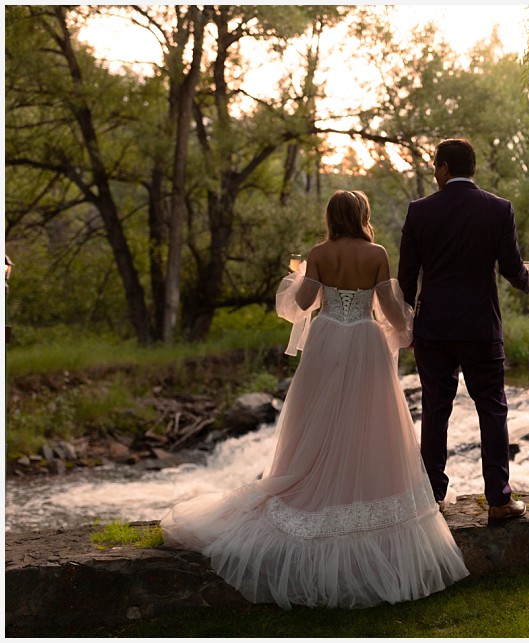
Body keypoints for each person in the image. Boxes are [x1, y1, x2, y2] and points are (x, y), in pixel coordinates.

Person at [161, 190, 468, 609]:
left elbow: (302, 305)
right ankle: (361, 487)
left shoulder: (319, 253)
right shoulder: (376, 252)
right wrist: (410, 329)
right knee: (369, 423)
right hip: (364, 341)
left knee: (317, 420)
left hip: (326, 341)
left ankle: (311, 481)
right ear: (362, 214)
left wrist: (300, 278)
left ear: (331, 217)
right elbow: (391, 313)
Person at [398, 138, 529, 524]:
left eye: (434, 166)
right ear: (471, 168)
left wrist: (405, 328)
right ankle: (499, 500)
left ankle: (432, 498)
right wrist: (528, 277)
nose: (433, 172)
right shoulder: (498, 209)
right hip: (480, 326)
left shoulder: (419, 211)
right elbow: (511, 268)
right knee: (492, 408)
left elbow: (406, 279)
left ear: (443, 168)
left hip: (434, 329)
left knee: (436, 410)